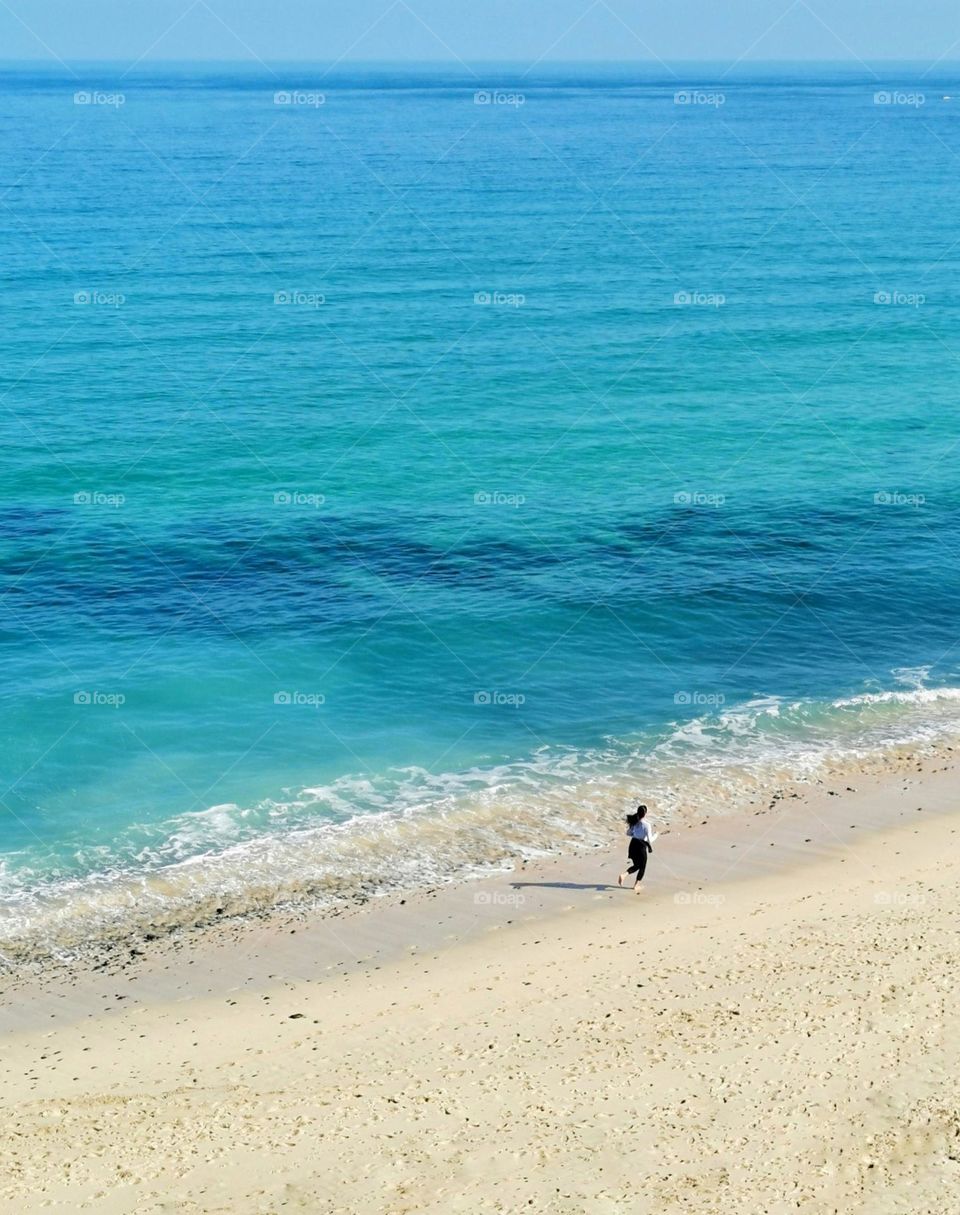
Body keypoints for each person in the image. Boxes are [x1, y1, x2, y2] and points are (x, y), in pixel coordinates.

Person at [619, 804, 653, 893]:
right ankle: (636, 885)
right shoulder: (647, 825)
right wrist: (657, 835)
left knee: (637, 865)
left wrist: (635, 834)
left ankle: (624, 875)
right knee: (642, 866)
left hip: (633, 845)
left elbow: (628, 833)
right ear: (645, 814)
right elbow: (650, 840)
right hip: (641, 846)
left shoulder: (634, 822)